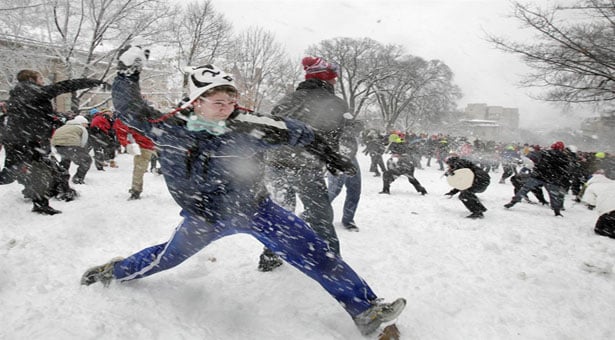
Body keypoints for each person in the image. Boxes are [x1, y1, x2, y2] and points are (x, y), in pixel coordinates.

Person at [81, 45, 405, 336]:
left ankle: (367, 311)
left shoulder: (249, 125)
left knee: (317, 254)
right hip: (205, 218)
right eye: (218, 102)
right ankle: (116, 270)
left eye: (232, 100)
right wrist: (127, 73)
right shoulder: (170, 127)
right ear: (196, 102)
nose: (228, 107)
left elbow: (299, 132)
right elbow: (128, 108)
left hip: (258, 210)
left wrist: (330, 155)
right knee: (165, 258)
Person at [261, 56, 352, 271]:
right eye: (334, 78)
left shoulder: (287, 99)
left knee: (281, 212)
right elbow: (335, 137)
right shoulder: (335, 104)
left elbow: (272, 128)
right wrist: (338, 159)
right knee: (321, 217)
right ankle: (332, 264)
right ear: (327, 79)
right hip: (306, 167)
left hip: (276, 164)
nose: (335, 82)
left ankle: (270, 255)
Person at [0, 69, 102, 214]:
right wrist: (90, 82)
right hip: (27, 140)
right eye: (40, 78)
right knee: (24, 173)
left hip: (19, 139)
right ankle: (40, 204)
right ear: (31, 79)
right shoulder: (32, 91)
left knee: (20, 173)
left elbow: (20, 117)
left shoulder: (17, 94)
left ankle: (40, 204)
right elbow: (63, 86)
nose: (42, 81)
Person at [504, 141, 571, 216]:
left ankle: (513, 202)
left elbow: (532, 157)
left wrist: (537, 166)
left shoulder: (545, 153)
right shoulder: (564, 157)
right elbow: (564, 170)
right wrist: (559, 178)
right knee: (554, 196)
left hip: (539, 175)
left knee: (524, 189)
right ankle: (557, 211)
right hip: (552, 179)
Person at [328, 120, 363, 231]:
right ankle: (312, 212)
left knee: (355, 190)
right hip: (339, 159)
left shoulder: (351, 131)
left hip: (352, 160)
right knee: (334, 190)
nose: (358, 131)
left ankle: (348, 220)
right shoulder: (338, 128)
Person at [113, 118, 157, 200]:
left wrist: (127, 144)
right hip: (150, 144)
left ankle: (136, 190)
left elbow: (121, 132)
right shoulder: (128, 116)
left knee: (139, 169)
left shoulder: (125, 116)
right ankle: (136, 190)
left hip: (148, 144)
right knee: (139, 169)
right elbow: (121, 131)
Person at [50, 115, 92, 191]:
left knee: (65, 160)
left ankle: (61, 177)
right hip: (71, 145)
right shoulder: (81, 128)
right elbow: (83, 142)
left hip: (58, 145)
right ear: (81, 123)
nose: (87, 126)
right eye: (86, 124)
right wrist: (82, 152)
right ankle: (78, 178)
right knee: (87, 160)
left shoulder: (63, 126)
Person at [581, 171, 615, 239]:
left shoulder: (593, 185)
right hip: (609, 214)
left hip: (605, 212)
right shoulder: (611, 184)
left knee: (602, 226)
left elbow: (592, 201)